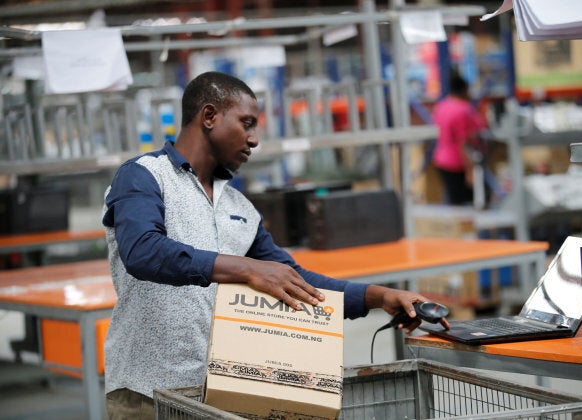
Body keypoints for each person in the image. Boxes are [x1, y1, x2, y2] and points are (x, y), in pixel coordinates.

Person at [102, 71, 449, 419]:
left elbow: (294, 280)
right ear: (209, 116)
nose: (253, 140)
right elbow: (143, 251)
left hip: (222, 394)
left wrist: (379, 296)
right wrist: (248, 268)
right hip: (146, 393)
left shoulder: (240, 208)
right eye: (246, 123)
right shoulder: (144, 175)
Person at [431, 72, 488, 205]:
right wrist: (470, 171)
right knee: (470, 204)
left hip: (441, 159)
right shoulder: (463, 110)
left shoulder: (442, 106)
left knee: (454, 202)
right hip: (458, 163)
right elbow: (463, 143)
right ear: (464, 90)